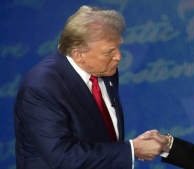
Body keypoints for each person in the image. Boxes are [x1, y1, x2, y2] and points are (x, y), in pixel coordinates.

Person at [13, 5, 167, 169]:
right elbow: (63, 157)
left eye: (118, 47)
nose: (119, 57)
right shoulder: (41, 89)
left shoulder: (105, 68)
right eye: (109, 52)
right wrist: (131, 150)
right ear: (79, 55)